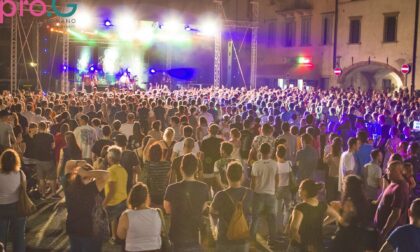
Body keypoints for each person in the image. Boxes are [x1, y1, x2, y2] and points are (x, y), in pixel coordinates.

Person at [164, 154, 210, 252]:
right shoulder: (204, 187)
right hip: (196, 233)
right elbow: (203, 208)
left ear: (181, 168)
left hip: (177, 233)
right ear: (196, 169)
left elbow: (167, 209)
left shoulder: (171, 188)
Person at [63, 161, 109, 252]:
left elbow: (67, 164)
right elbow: (106, 174)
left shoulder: (68, 184)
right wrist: (87, 173)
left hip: (73, 228)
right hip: (90, 231)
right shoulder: (92, 188)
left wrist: (78, 164)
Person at [288, 179, 342, 252]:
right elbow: (336, 216)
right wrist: (322, 223)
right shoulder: (322, 206)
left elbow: (294, 229)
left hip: (301, 247)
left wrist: (303, 244)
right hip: (317, 245)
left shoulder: (300, 208)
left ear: (305, 191)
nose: (298, 190)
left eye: (300, 188)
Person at [210, 162, 253, 252]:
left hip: (224, 239)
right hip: (242, 237)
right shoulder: (249, 193)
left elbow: (212, 213)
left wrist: (214, 230)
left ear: (227, 176)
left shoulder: (220, 195)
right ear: (241, 176)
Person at [328, 175, 373, 252]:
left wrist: (334, 210)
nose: (342, 186)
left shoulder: (349, 202)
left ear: (348, 186)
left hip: (345, 239)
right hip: (358, 237)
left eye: (343, 184)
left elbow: (344, 222)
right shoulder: (362, 201)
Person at [117, 183, 163, 252]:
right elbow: (159, 231)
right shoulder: (156, 213)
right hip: (155, 249)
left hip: (133, 249)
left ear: (132, 197)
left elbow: (121, 235)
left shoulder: (126, 215)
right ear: (147, 197)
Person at [250, 143, 279, 248]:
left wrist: (252, 192)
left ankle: (252, 240)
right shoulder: (275, 164)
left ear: (260, 151)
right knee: (272, 219)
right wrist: (274, 190)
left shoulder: (256, 164)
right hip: (271, 194)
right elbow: (277, 179)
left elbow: (253, 182)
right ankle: (272, 241)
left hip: (259, 194)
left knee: (255, 218)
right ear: (270, 152)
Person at [375, 161, 410, 243]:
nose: (387, 172)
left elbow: (395, 214)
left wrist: (384, 232)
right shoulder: (393, 182)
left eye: (390, 170)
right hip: (382, 230)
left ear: (399, 172)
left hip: (389, 234)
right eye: (387, 169)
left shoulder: (400, 188)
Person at [0, 149, 26, 252]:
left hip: (1, 208)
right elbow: (23, 190)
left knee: (1, 237)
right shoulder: (20, 174)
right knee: (19, 236)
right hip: (17, 207)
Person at [103, 146, 128, 243]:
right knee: (116, 219)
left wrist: (104, 203)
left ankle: (111, 237)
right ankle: (116, 236)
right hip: (122, 199)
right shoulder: (122, 169)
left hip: (113, 201)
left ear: (110, 158)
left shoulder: (111, 170)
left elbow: (112, 190)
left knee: (107, 219)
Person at [33, 121, 57, 199]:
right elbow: (53, 146)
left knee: (41, 178)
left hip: (38, 159)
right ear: (46, 127)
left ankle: (43, 194)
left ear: (39, 128)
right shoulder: (50, 136)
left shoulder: (35, 136)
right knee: (52, 178)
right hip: (48, 159)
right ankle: (53, 194)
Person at [200, 124, 224, 193]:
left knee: (207, 190)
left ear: (209, 131)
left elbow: (202, 155)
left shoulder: (205, 141)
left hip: (207, 168)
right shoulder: (221, 141)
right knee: (217, 190)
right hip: (218, 168)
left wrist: (201, 167)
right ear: (217, 131)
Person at [275, 145, 293, 233]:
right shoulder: (289, 163)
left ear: (276, 154)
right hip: (287, 188)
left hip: (278, 188)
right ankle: (285, 226)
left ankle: (279, 227)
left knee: (278, 210)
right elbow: (291, 177)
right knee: (288, 208)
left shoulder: (275, 165)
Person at [325, 137, 342, 202]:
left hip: (331, 176)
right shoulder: (342, 155)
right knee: (337, 196)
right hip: (339, 177)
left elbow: (326, 162)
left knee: (330, 196)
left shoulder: (330, 155)